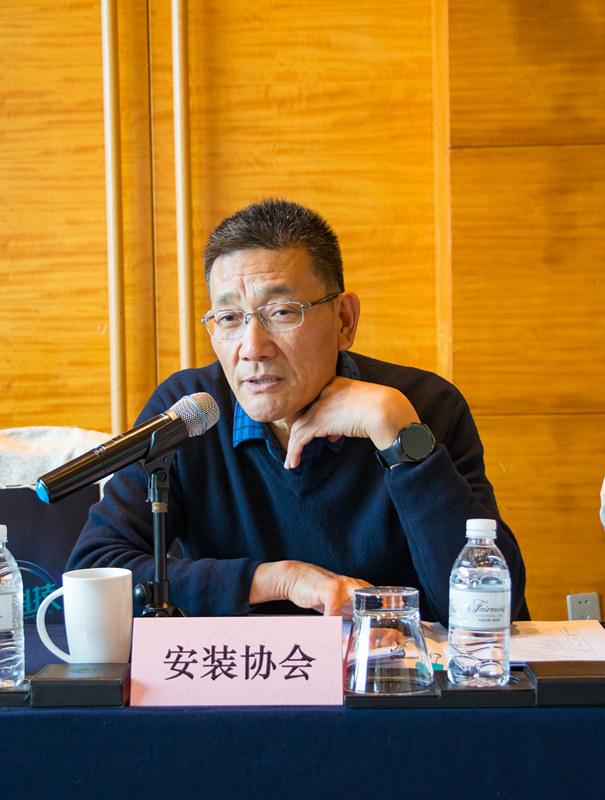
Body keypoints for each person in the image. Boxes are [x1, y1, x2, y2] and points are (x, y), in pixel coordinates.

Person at [67, 198, 527, 624]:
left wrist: (397, 430)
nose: (252, 348)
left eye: (282, 312)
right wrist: (277, 580)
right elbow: (95, 569)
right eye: (229, 318)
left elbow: (493, 608)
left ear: (344, 320)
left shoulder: (424, 406)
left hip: (388, 679)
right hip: (241, 677)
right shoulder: (189, 414)